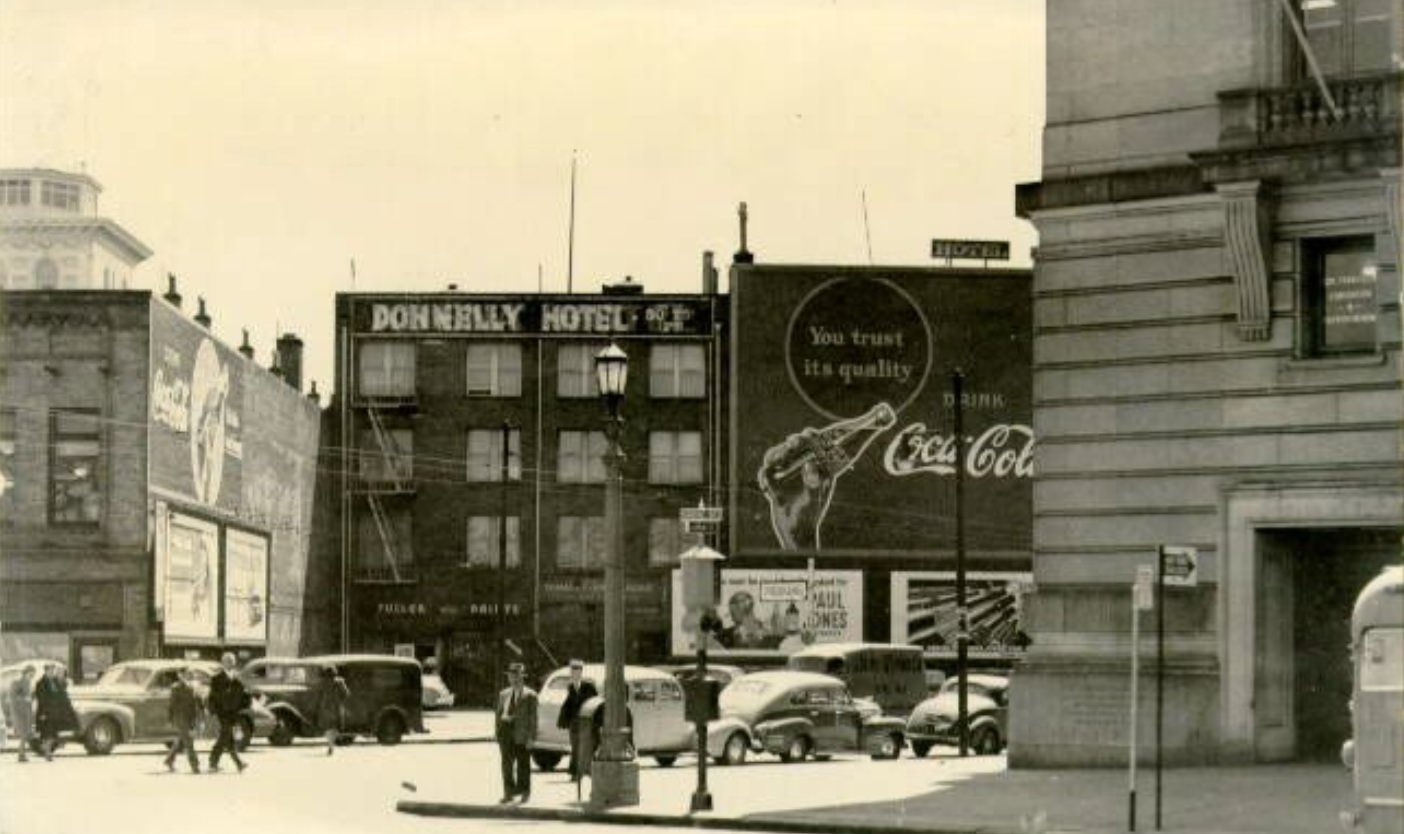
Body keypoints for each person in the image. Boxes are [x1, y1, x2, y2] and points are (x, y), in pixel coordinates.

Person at [494, 662, 537, 804]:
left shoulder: (530, 695)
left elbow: (533, 718)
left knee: (523, 764)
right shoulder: (503, 694)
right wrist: (497, 732)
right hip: (505, 732)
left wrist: (531, 737)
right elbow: (498, 714)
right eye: (511, 676)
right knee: (506, 765)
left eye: (517, 676)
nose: (514, 679)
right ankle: (509, 793)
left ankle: (525, 792)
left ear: (522, 677)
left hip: (521, 733)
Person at [555, 659, 597, 781]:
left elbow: (594, 701)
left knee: (585, 747)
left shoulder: (588, 686)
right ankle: (575, 773)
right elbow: (568, 704)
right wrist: (564, 720)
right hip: (574, 722)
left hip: (585, 721)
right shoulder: (571, 687)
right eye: (573, 671)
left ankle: (586, 771)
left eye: (578, 670)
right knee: (575, 747)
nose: (576, 673)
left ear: (581, 672)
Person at [207, 652, 248, 773]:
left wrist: (248, 703)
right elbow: (213, 697)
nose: (230, 663)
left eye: (232, 660)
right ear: (222, 663)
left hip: (234, 713)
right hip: (223, 713)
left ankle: (237, 763)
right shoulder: (216, 679)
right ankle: (213, 761)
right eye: (227, 661)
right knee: (225, 735)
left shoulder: (237, 678)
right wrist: (213, 711)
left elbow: (242, 695)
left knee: (228, 738)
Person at [34, 663, 78, 761]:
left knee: (53, 734)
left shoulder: (55, 681)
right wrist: (43, 713)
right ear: (45, 671)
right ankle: (48, 753)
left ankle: (45, 748)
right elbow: (41, 699)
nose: (51, 672)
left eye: (52, 670)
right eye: (49, 670)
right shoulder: (40, 683)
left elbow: (62, 693)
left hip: (56, 712)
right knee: (47, 733)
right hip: (46, 712)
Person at [164, 668, 201, 773]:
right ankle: (195, 766)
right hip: (180, 718)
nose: (186, 676)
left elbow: (195, 703)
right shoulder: (175, 688)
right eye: (183, 674)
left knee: (181, 741)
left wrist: (197, 717)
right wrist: (170, 719)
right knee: (189, 742)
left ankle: (169, 760)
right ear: (179, 675)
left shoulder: (192, 687)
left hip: (189, 718)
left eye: (188, 674)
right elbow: (171, 705)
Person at [315, 665, 350, 757]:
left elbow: (319, 694)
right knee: (335, 727)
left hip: (325, 707)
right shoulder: (340, 681)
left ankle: (330, 744)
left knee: (327, 727)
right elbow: (346, 694)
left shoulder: (323, 682)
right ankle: (332, 745)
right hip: (336, 707)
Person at [7, 666, 36, 762]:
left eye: (33, 673)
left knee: (25, 733)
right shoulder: (17, 682)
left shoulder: (28, 683)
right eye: (31, 673)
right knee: (23, 733)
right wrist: (24, 699)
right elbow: (12, 696)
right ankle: (21, 754)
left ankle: (22, 754)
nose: (32, 675)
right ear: (26, 672)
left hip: (26, 711)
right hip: (18, 711)